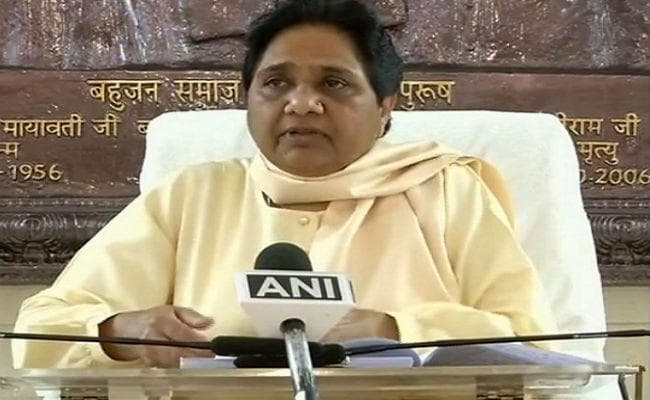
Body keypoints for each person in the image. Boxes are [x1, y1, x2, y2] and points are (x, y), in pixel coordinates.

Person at [13, 0, 556, 368]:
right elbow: (41, 328)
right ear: (248, 98)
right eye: (276, 83)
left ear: (385, 106)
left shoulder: (448, 190)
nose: (301, 104)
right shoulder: (191, 196)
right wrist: (119, 333)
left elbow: (536, 343)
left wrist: (396, 329)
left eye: (334, 83)